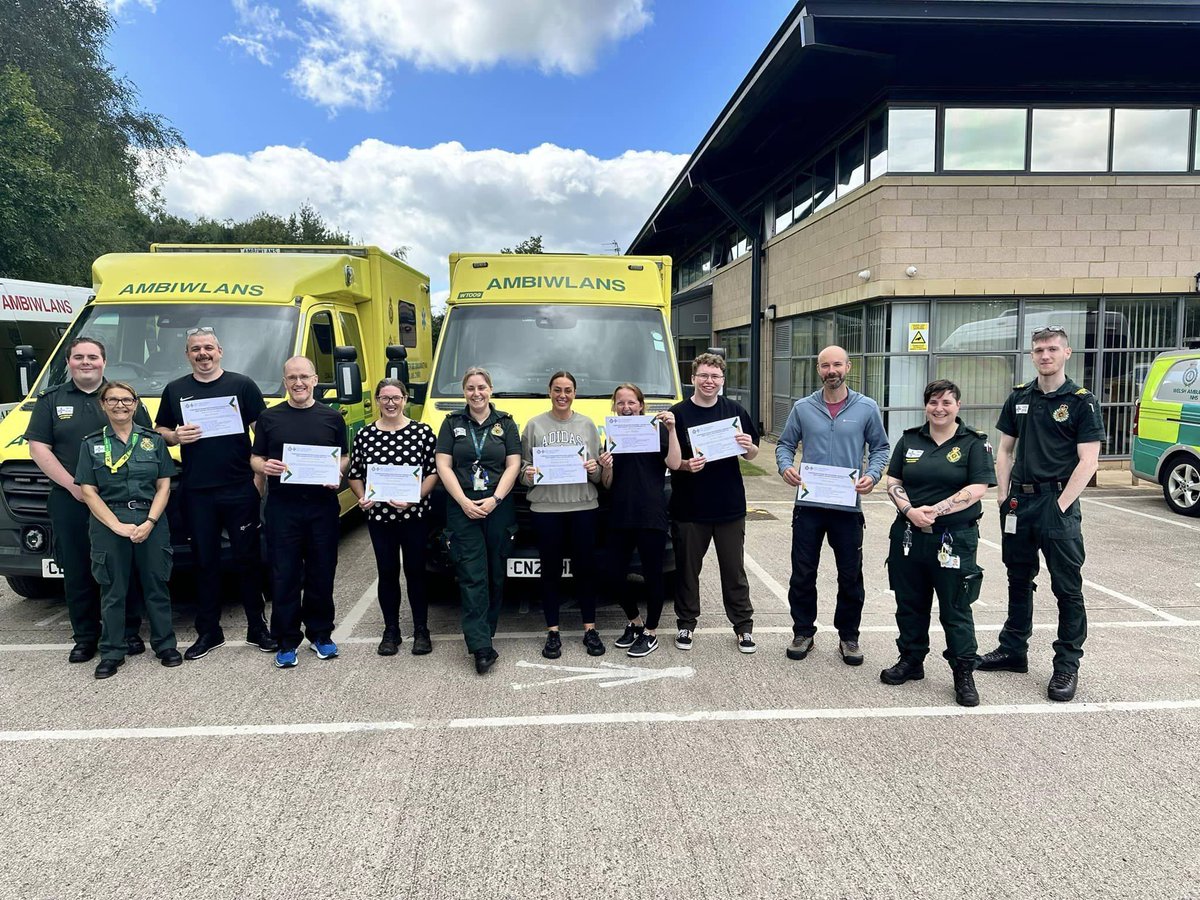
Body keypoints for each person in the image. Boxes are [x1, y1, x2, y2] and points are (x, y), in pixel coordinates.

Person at [978, 326, 1104, 702]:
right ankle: (1013, 650)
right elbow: (1004, 450)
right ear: (1031, 355)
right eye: (1038, 350)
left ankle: (1066, 664)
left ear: (1067, 353)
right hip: (1018, 502)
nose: (1044, 355)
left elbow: (1089, 460)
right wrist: (1003, 495)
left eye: (1051, 349)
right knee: (1019, 578)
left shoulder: (1081, 401)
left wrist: (1062, 504)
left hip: (1055, 504)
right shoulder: (1020, 397)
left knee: (1067, 587)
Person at [26, 337, 149, 664]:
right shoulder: (51, 400)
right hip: (72, 499)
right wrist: (74, 486)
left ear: (103, 362)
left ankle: (127, 631)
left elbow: (147, 442)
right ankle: (85, 637)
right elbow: (38, 447)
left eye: (92, 357)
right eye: (78, 357)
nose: (86, 362)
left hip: (118, 501)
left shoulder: (122, 397)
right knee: (78, 569)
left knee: (122, 568)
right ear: (68, 362)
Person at [155, 326, 275, 660]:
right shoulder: (176, 390)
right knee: (204, 563)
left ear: (220, 350)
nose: (203, 354)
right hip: (197, 491)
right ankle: (209, 632)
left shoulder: (242, 385)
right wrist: (175, 436)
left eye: (208, 347)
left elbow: (261, 432)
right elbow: (160, 428)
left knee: (248, 561)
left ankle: (257, 628)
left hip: (239, 487)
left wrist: (259, 479)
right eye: (196, 349)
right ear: (187, 354)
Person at [882, 379, 996, 707]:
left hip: (954, 539)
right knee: (909, 604)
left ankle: (963, 672)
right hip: (908, 536)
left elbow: (977, 488)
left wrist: (937, 510)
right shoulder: (909, 439)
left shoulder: (974, 443)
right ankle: (911, 660)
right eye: (933, 402)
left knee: (956, 608)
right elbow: (894, 480)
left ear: (958, 405)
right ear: (926, 406)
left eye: (946, 402)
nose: (939, 408)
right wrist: (909, 510)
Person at [776, 345, 889, 666]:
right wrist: (786, 466)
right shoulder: (803, 408)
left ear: (848, 367)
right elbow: (785, 444)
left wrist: (873, 474)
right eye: (825, 366)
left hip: (847, 507)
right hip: (809, 505)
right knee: (802, 573)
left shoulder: (866, 408)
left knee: (850, 575)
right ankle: (803, 632)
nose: (831, 371)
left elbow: (880, 447)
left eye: (837, 364)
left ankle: (849, 637)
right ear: (818, 370)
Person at [75, 381, 180, 678]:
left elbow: (163, 485)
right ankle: (111, 651)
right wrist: (116, 525)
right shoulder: (91, 444)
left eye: (126, 400)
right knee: (112, 589)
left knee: (157, 585)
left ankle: (165, 645)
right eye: (113, 400)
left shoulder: (152, 440)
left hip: (150, 518)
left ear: (135, 404)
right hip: (109, 521)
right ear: (103, 404)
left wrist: (150, 522)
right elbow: (88, 491)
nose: (120, 405)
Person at [250, 356, 349, 669]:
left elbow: (344, 457)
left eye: (304, 377)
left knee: (322, 571)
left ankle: (321, 634)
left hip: (321, 507)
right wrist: (263, 467)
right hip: (283, 508)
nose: (298, 383)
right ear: (285, 381)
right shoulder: (269, 417)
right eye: (292, 378)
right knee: (284, 573)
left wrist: (336, 472)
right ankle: (287, 639)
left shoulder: (332, 418)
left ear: (315, 380)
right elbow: (255, 458)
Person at [669, 353, 760, 654]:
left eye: (715, 377)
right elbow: (668, 461)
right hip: (690, 507)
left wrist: (749, 447)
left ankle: (743, 627)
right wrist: (686, 465)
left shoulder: (734, 410)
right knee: (687, 570)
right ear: (693, 378)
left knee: (733, 570)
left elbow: (752, 453)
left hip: (728, 506)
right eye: (704, 375)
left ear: (722, 380)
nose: (709, 381)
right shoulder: (678, 413)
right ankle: (686, 623)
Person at [435, 367, 521, 675]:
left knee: (496, 572)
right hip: (463, 508)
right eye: (470, 388)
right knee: (472, 574)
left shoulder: (506, 424)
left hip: (498, 506)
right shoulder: (452, 423)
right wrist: (463, 502)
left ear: (491, 389)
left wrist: (495, 498)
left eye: (481, 387)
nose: (476, 393)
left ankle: (487, 630)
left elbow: (514, 464)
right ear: (464, 392)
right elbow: (443, 465)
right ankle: (481, 645)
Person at [348, 379, 438, 656]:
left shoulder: (422, 433)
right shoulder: (365, 435)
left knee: (416, 573)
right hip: (380, 517)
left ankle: (421, 630)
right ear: (377, 400)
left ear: (405, 399)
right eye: (384, 398)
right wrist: (362, 497)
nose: (390, 403)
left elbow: (433, 472)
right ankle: (391, 631)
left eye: (396, 397)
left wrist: (415, 497)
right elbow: (355, 474)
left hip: (414, 515)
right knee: (387, 573)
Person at [521, 371, 605, 659]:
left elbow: (598, 475)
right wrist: (529, 474)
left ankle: (590, 629)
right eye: (557, 389)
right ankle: (553, 631)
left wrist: (594, 469)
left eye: (568, 390)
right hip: (546, 509)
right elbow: (524, 471)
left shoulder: (588, 425)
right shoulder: (534, 425)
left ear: (575, 393)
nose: (562, 395)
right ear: (549, 391)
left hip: (583, 507)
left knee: (586, 571)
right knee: (550, 573)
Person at [597, 383, 681, 658]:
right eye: (620, 403)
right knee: (611, 572)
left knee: (653, 574)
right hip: (620, 514)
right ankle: (634, 622)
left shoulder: (656, 432)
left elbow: (674, 463)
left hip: (650, 514)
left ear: (641, 405)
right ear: (614, 407)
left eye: (631, 402)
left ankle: (651, 632)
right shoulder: (612, 436)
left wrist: (671, 429)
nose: (626, 408)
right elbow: (607, 484)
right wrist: (606, 467)